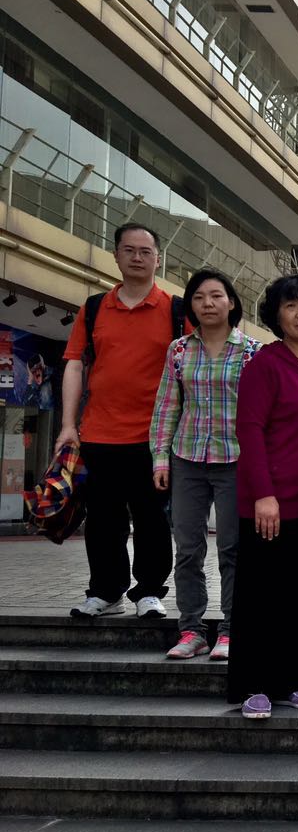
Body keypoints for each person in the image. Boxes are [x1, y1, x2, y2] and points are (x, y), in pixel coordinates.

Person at [228, 274, 298, 721]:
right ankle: (253, 685)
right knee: (261, 597)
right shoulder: (264, 364)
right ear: (277, 316)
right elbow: (250, 430)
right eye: (291, 306)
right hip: (268, 502)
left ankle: (295, 680)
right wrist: (264, 494)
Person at [58, 224, 184, 620]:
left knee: (152, 517)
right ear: (116, 256)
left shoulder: (176, 310)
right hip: (100, 433)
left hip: (156, 437)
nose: (137, 257)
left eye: (145, 251)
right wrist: (67, 425)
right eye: (129, 250)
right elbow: (74, 364)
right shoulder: (95, 307)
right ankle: (106, 592)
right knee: (102, 519)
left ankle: (149, 592)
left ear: (158, 259)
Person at [151, 269, 261, 661]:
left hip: (235, 460)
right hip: (188, 458)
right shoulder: (179, 350)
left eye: (216, 296)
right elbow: (167, 406)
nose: (208, 304)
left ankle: (231, 630)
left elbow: (261, 412)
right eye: (199, 297)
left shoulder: (252, 351)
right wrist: (160, 458)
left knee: (233, 548)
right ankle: (192, 631)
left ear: (231, 302)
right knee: (187, 549)